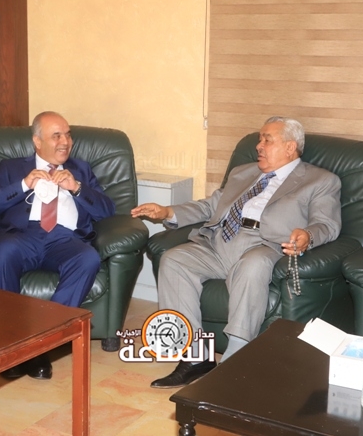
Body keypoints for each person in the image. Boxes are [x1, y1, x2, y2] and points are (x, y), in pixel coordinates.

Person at [132, 117, 342, 388]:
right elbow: (210, 207)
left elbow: (327, 224)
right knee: (173, 260)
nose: (259, 146)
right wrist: (167, 212)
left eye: (267, 140)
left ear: (290, 147)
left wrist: (308, 236)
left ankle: (235, 359)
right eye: (259, 139)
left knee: (252, 266)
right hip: (219, 241)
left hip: (264, 245)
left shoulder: (320, 180)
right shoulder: (242, 173)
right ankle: (195, 357)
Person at [0, 111, 115, 379]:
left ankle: (41, 345)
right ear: (37, 141)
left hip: (65, 239)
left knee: (87, 258)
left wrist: (77, 188)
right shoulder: (11, 167)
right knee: (3, 251)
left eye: (68, 135)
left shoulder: (81, 169)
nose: (65, 142)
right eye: (57, 136)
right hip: (22, 236)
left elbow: (107, 210)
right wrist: (24, 184)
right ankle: (9, 344)